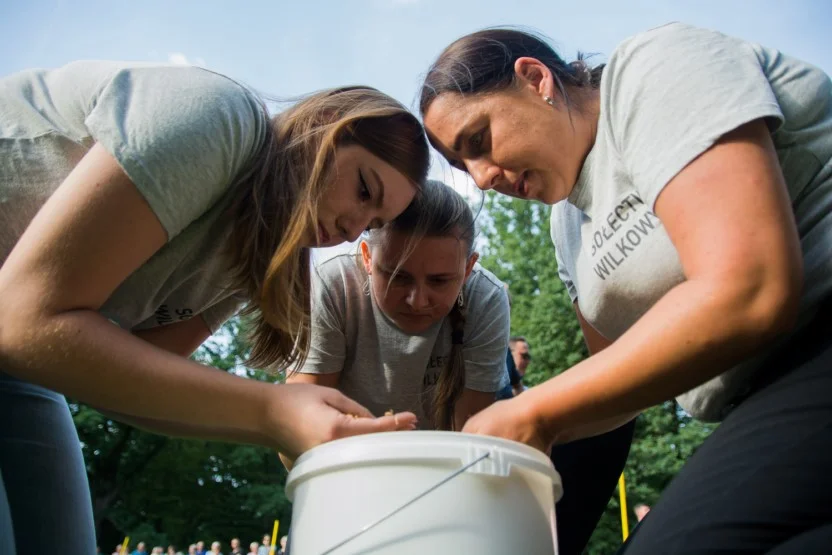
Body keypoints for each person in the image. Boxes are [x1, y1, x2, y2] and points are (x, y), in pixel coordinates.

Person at [420, 22, 832, 554]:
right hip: (761, 400)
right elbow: (611, 386)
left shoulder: (655, 67)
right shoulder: (564, 226)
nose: (480, 178)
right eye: (462, 165)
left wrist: (531, 410)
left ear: (535, 79)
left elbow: (752, 288)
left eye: (478, 141)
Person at [0, 61, 430, 555]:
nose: (354, 228)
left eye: (372, 221)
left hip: (22, 363)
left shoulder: (248, 256)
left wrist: (294, 431)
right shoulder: (218, 119)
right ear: (324, 124)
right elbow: (19, 320)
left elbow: (125, 387)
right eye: (362, 190)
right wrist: (273, 408)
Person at [286, 179, 509, 435]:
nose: (417, 301)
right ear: (367, 257)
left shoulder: (485, 297)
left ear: (468, 268)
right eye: (398, 278)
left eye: (439, 281)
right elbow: (299, 432)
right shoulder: (334, 288)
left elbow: (471, 439)